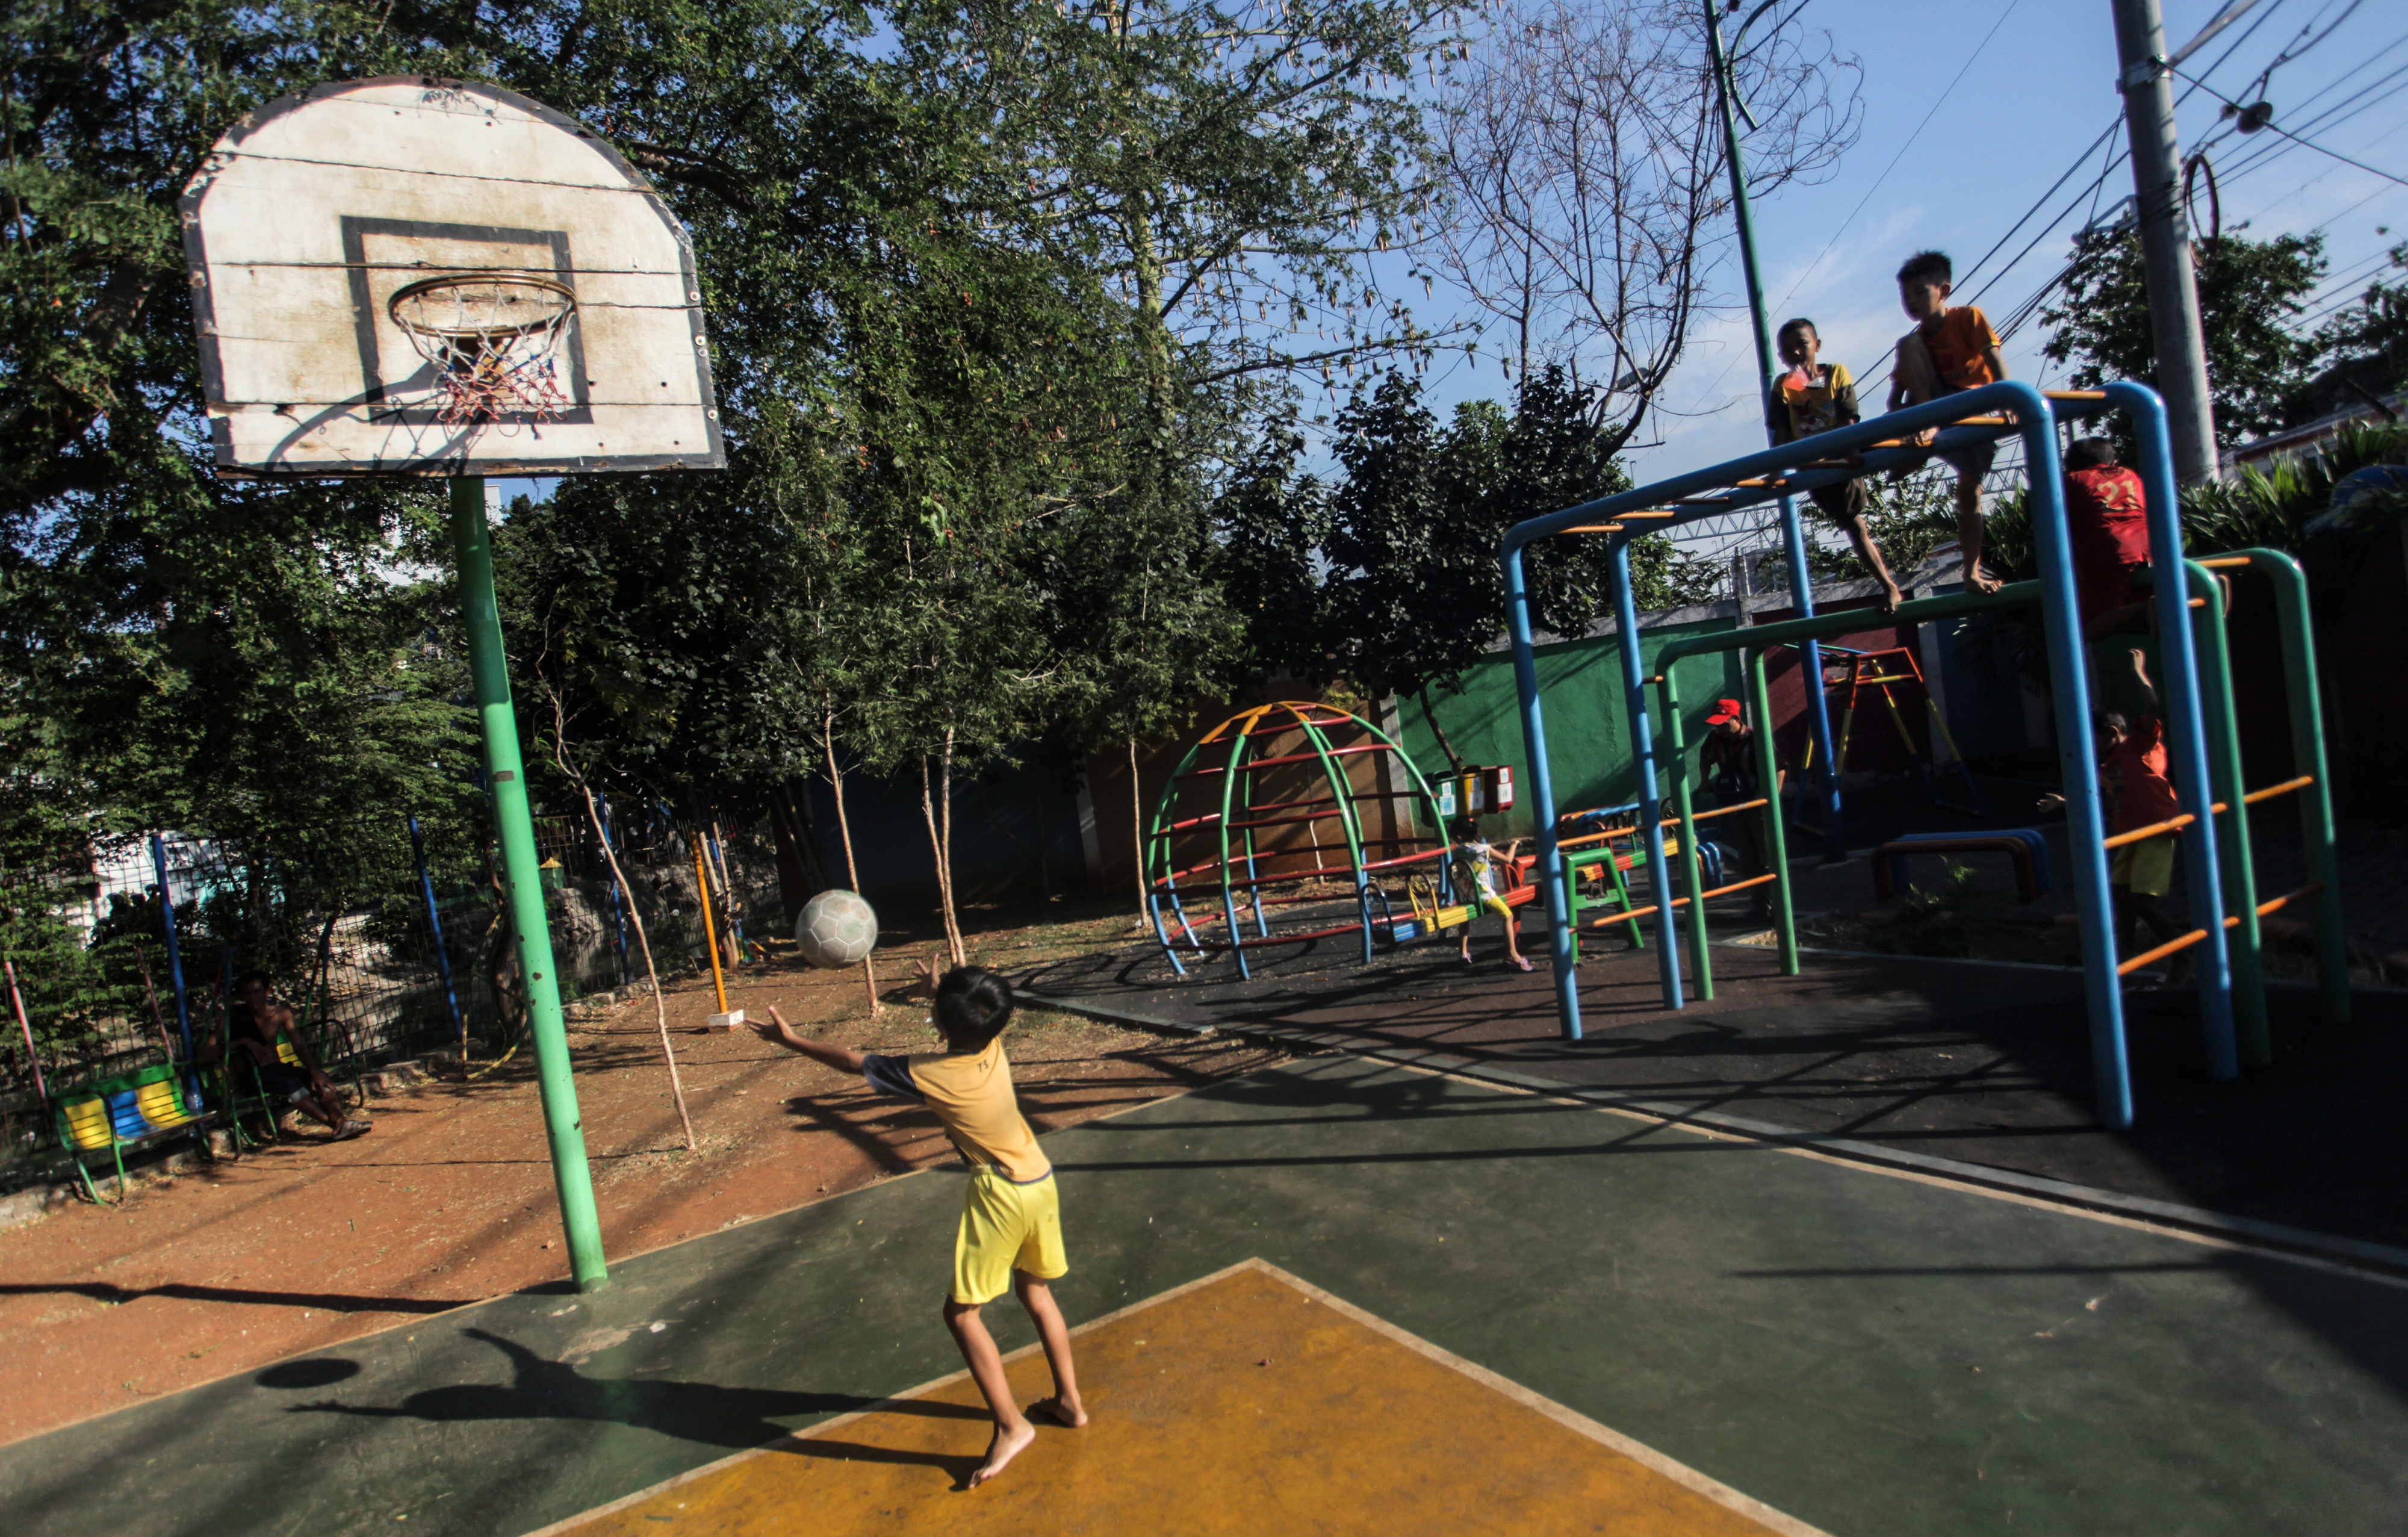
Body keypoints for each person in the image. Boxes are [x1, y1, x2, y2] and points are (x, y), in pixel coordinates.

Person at [752, 963, 1085, 1487]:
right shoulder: (993, 1045)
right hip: (1040, 1177)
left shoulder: (930, 1072)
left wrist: (791, 1040)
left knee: (962, 1315)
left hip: (1002, 1193)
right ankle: (1070, 1402)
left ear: (944, 1023)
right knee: (1036, 1294)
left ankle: (1011, 1425)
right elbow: (974, 1013)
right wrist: (940, 992)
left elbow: (849, 1061)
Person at [2039, 650, 2188, 981]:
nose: (2088, 743)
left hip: (2155, 831)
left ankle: (2182, 958)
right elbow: (2097, 794)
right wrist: (2063, 802)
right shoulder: (2106, 766)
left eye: (2093, 736)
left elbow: (2152, 707)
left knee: (2143, 903)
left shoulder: (2137, 746)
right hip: (2129, 835)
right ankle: (2124, 960)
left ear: (2112, 732)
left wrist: (2139, 673)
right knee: (2121, 901)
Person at [1885, 250, 2011, 595]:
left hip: (1972, 407)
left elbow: (1995, 364)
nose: (1911, 302)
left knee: (1969, 494)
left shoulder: (1968, 318)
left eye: (1920, 293)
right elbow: (1896, 397)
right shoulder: (1915, 341)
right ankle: (1922, 435)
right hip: (1931, 404)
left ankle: (1971, 572)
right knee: (1907, 342)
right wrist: (1897, 422)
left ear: (1944, 291)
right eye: (1906, 296)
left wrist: (2008, 400)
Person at [1767, 318, 1904, 615]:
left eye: (1802, 345)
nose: (1797, 353)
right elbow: (1780, 432)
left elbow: (1849, 416)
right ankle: (1889, 586)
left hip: (1843, 449)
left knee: (1894, 431)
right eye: (1788, 350)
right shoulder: (1782, 387)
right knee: (1854, 526)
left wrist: (1850, 449)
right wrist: (1776, 468)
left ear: (1817, 345)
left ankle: (1904, 461)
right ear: (1781, 357)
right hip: (1813, 465)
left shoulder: (1836, 374)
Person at [201, 971, 367, 1140]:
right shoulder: (231, 1019)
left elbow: (299, 1046)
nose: (253, 998)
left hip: (277, 1070)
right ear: (241, 996)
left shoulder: (281, 1014)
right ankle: (338, 1126)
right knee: (291, 1084)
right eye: (247, 994)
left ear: (267, 991)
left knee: (319, 1079)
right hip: (251, 1077)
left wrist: (314, 1070)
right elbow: (205, 1054)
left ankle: (341, 1122)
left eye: (257, 992)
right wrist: (242, 1042)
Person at [2062, 438, 2154, 638]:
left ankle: (2143, 609)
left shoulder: (2073, 480)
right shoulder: (2130, 475)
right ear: (2113, 462)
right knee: (2159, 601)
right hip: (2149, 545)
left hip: (2111, 549)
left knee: (2088, 629)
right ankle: (2203, 590)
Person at [1699, 699, 1775, 922]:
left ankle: (1778, 908)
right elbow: (1705, 759)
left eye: (1724, 723)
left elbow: (1780, 768)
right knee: (1748, 860)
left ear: (1737, 719)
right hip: (1735, 806)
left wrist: (1768, 799)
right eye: (1717, 724)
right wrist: (1704, 780)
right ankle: (1760, 908)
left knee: (1768, 859)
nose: (1720, 728)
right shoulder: (1715, 738)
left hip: (1758, 806)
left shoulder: (1755, 739)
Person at [1447, 816, 1532, 971]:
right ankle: (1512, 954)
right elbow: (1507, 860)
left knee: (1465, 919)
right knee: (1508, 916)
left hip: (1466, 895)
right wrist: (1514, 845)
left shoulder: (1459, 851)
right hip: (1483, 895)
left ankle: (1464, 952)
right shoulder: (1484, 849)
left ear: (1459, 837)